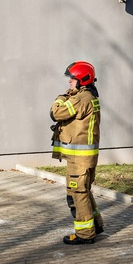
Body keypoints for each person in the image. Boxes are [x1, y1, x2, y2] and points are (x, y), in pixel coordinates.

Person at [50, 61, 104, 245]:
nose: (69, 83)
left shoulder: (81, 99)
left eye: (72, 79)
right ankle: (96, 225)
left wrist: (60, 97)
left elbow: (56, 113)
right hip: (84, 158)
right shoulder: (88, 96)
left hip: (79, 159)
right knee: (84, 191)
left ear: (82, 80)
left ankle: (85, 234)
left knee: (76, 193)